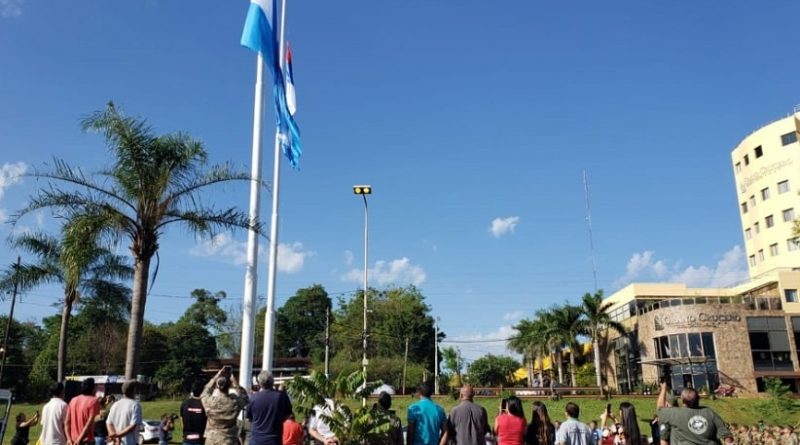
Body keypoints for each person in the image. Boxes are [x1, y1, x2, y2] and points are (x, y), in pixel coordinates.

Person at [656, 381, 733, 445]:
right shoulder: (709, 412)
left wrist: (663, 389)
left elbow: (660, 408)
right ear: (698, 399)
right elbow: (726, 435)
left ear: (682, 399)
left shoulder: (673, 413)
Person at [201, 367, 249, 445]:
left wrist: (216, 377)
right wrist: (235, 383)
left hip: (212, 439)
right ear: (230, 386)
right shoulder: (234, 402)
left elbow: (204, 392)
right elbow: (245, 398)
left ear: (217, 386)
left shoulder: (211, 402)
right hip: (228, 439)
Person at [247, 371, 293, 445]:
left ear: (259, 383)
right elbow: (288, 415)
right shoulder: (281, 396)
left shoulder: (253, 398)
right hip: (274, 439)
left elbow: (249, 418)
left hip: (256, 439)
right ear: (273, 382)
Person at [106, 380, 143, 445]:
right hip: (128, 442)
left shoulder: (115, 404)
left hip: (114, 442)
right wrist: (117, 435)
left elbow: (109, 423)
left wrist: (114, 435)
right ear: (133, 390)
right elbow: (133, 425)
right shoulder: (135, 405)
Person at [67, 378, 101, 445]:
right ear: (93, 388)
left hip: (72, 441)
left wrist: (69, 439)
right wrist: (79, 439)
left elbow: (67, 422)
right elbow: (90, 423)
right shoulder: (94, 401)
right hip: (86, 441)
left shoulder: (73, 400)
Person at [182, 381, 208, 445]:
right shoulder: (204, 405)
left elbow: (182, 421)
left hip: (187, 438)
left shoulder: (184, 404)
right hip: (200, 439)